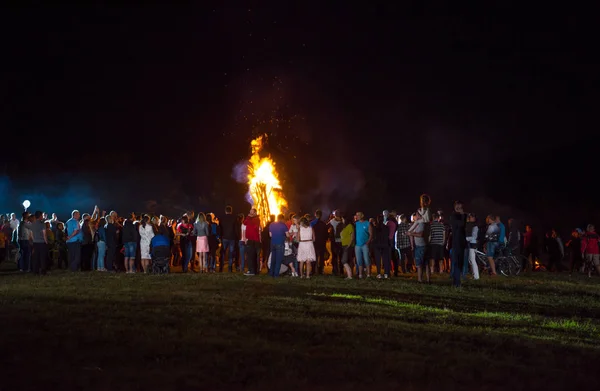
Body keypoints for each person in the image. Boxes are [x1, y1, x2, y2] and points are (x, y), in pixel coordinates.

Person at [449, 201, 467, 287]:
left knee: (460, 262)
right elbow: (461, 224)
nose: (459, 209)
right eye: (457, 207)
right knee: (457, 262)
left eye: (460, 207)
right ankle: (456, 282)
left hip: (461, 242)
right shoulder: (453, 216)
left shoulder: (462, 216)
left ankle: (456, 281)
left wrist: (463, 215)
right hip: (456, 242)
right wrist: (463, 215)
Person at [220, 205, 240, 272]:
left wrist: (220, 236)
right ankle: (230, 268)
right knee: (231, 253)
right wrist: (237, 237)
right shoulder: (234, 218)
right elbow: (236, 229)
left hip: (224, 237)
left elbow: (220, 228)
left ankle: (221, 267)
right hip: (232, 238)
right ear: (231, 211)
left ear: (225, 211)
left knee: (223, 252)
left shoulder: (222, 218)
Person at [354, 212, 372, 278]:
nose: (357, 216)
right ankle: (360, 274)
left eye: (358, 215)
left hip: (365, 245)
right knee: (359, 261)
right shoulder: (356, 224)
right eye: (356, 215)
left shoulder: (367, 223)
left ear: (362, 216)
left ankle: (368, 274)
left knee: (366, 259)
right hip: (357, 245)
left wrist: (367, 242)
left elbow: (371, 234)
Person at [243, 208, 261, 276]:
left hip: (254, 240)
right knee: (250, 256)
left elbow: (254, 226)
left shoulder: (256, 219)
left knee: (252, 256)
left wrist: (249, 217)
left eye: (252, 212)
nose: (250, 213)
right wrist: (248, 217)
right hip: (250, 239)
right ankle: (252, 270)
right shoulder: (249, 218)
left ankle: (252, 271)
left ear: (255, 213)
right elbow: (244, 223)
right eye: (250, 212)